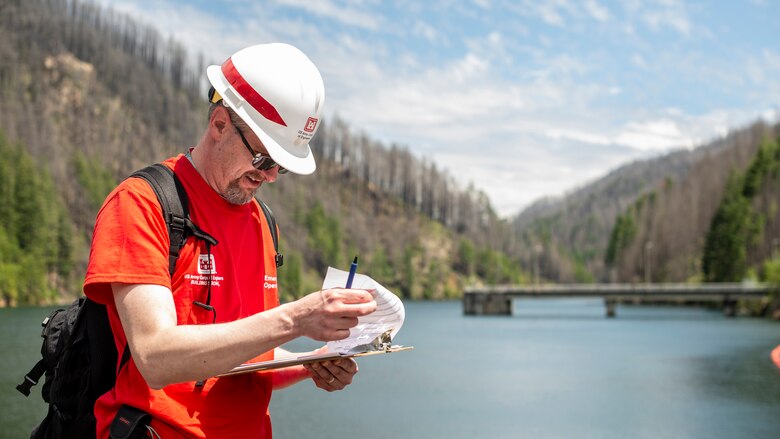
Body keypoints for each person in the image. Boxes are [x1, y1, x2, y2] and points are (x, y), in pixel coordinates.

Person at [83, 43, 377, 438]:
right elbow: (155, 357)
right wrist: (295, 319)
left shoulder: (262, 222)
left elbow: (242, 357)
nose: (269, 176)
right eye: (263, 159)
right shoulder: (142, 203)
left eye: (281, 167)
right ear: (220, 123)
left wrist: (310, 361)